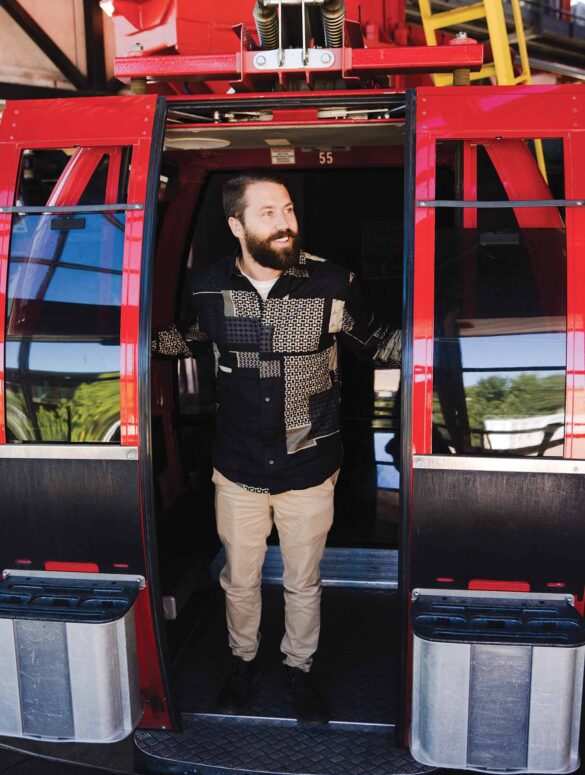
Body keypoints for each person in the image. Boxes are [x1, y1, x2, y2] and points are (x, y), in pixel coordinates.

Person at [152, 172, 400, 725]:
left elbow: (376, 342)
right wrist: (118, 337)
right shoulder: (208, 286)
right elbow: (190, 338)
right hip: (237, 466)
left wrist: (449, 342)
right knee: (239, 580)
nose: (284, 222)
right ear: (236, 225)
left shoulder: (332, 283)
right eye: (267, 213)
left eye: (287, 209)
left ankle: (300, 670)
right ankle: (242, 663)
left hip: (309, 466)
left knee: (302, 581)